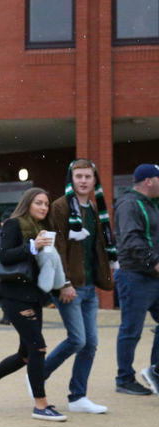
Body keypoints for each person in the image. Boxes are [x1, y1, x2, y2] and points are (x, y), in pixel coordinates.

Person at [0, 188, 73, 421]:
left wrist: (61, 283)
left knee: (26, 354)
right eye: (38, 203)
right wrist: (33, 246)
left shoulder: (43, 229)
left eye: (46, 204)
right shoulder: (14, 224)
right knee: (38, 347)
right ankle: (41, 405)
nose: (43, 207)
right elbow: (6, 256)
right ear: (28, 203)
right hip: (14, 295)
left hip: (33, 295)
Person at [43, 159, 115, 412]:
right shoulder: (60, 207)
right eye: (79, 176)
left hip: (88, 286)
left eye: (88, 176)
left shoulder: (94, 209)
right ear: (71, 179)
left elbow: (98, 248)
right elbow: (57, 248)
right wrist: (64, 283)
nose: (83, 181)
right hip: (68, 286)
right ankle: (37, 378)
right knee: (77, 340)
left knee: (90, 343)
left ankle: (77, 397)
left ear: (94, 180)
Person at [112, 163, 159, 396]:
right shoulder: (130, 204)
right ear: (149, 181)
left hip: (152, 276)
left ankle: (155, 371)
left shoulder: (152, 205)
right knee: (131, 329)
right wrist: (155, 261)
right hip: (134, 276)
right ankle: (124, 379)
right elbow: (132, 241)